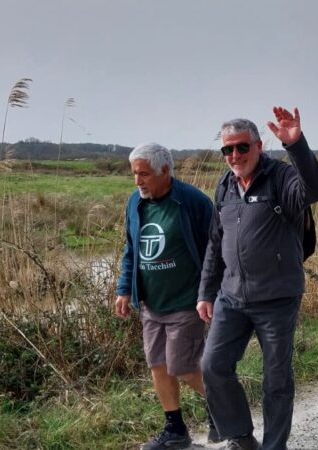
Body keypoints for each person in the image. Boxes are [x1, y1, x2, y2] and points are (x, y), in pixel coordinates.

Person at [197, 107, 318, 450]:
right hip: (231, 297)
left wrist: (295, 144)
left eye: (242, 147)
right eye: (227, 149)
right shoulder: (224, 185)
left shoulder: (281, 177)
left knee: (276, 380)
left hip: (277, 299)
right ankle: (241, 437)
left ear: (258, 146)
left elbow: (315, 189)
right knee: (212, 366)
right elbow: (215, 243)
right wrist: (205, 292)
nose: (235, 155)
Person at [114, 142, 218, 450]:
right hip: (151, 303)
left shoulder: (193, 201)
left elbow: (215, 249)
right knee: (158, 364)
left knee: (183, 367)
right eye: (134, 174)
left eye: (144, 174)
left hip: (186, 301)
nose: (138, 181)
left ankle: (226, 410)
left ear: (165, 170)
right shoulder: (136, 202)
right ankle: (175, 431)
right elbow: (131, 248)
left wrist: (210, 292)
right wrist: (124, 288)